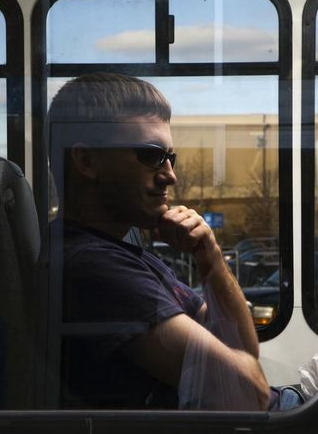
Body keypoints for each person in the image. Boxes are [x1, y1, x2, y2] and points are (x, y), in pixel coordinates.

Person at [48, 73, 274, 410]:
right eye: (151, 155)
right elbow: (248, 393)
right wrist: (234, 360)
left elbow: (246, 348)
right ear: (86, 161)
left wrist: (210, 258)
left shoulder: (127, 251)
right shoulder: (94, 267)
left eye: (171, 158)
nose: (170, 175)